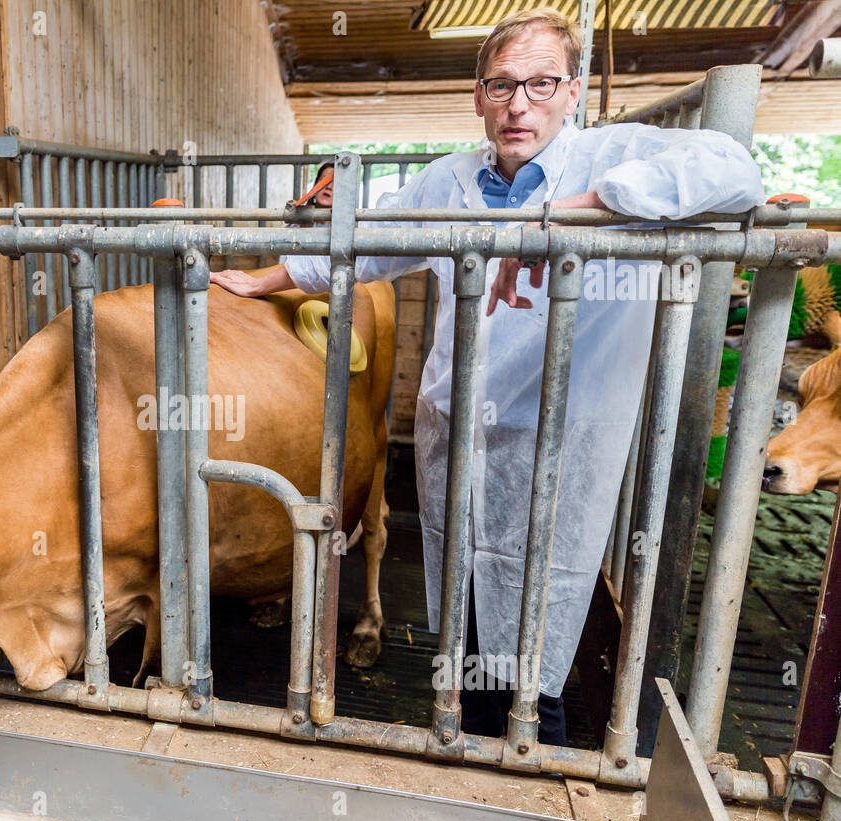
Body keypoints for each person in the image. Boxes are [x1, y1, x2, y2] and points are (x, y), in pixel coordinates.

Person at [209, 7, 764, 745]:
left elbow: (736, 171)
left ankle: (539, 762)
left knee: (539, 630)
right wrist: (264, 280)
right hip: (456, 431)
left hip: (558, 444)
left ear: (571, 92)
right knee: (462, 627)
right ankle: (463, 754)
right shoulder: (449, 178)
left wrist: (577, 213)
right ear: (478, 96)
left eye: (540, 84)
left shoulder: (611, 155)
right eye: (501, 85)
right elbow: (372, 246)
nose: (518, 105)